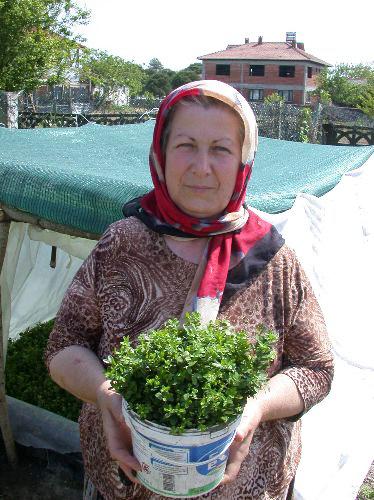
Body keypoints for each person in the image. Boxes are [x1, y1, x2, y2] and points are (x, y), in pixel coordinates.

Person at [45, 80, 334, 500]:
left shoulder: (272, 258)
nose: (202, 167)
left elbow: (316, 370)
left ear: (243, 161)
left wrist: (256, 408)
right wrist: (107, 394)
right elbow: (63, 347)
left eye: (220, 148)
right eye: (185, 145)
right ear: (161, 155)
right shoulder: (121, 244)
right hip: (126, 484)